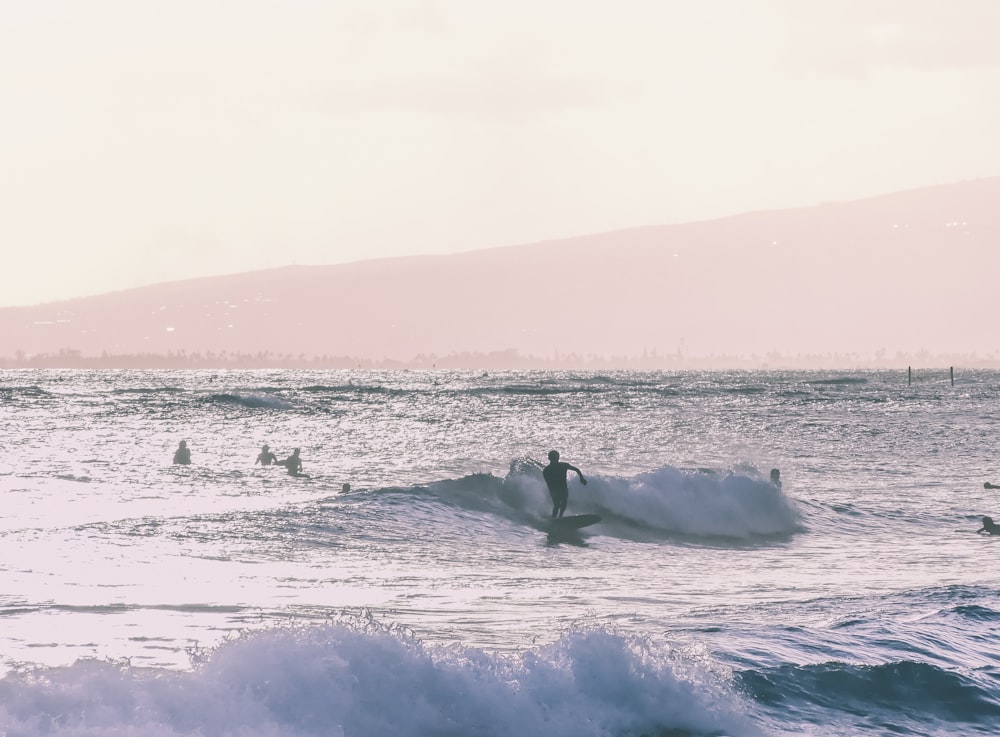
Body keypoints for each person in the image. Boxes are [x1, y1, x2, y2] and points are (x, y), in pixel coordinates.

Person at [542, 450, 586, 518]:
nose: (555, 459)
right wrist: (551, 491)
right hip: (554, 490)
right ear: (549, 458)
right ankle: (554, 518)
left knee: (563, 504)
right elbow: (548, 482)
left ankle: (560, 517)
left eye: (556, 457)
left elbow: (576, 469)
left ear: (558, 457)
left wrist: (581, 478)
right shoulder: (547, 470)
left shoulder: (564, 465)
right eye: (553, 457)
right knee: (557, 505)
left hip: (563, 488)